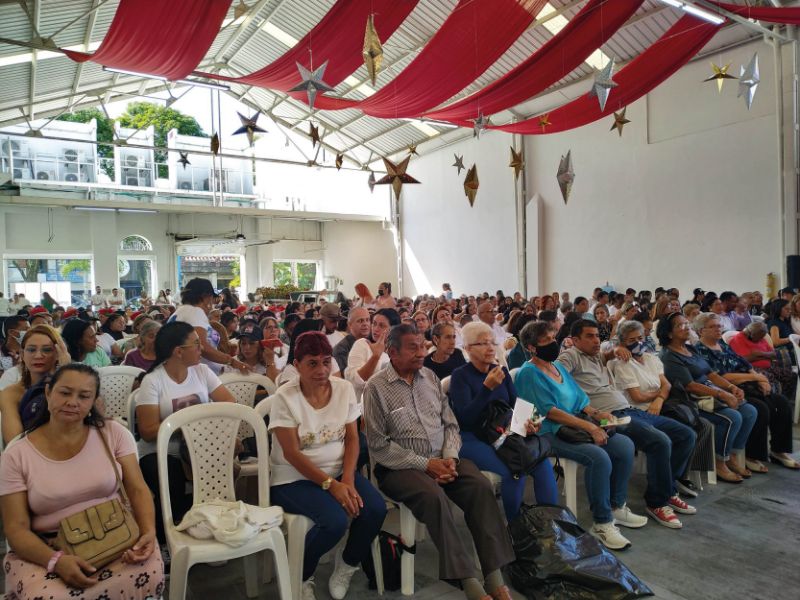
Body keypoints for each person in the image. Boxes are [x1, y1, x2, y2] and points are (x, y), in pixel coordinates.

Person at [364, 324, 515, 600]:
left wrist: (450, 457)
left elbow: (451, 424)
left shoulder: (430, 378)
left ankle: (494, 576)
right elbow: (378, 445)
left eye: (422, 346)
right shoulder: (376, 387)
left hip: (443, 459)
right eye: (413, 348)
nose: (421, 353)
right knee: (434, 497)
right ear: (392, 352)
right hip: (399, 467)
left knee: (480, 487)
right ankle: (469, 582)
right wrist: (426, 465)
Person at [0, 364, 163, 599]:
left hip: (117, 535)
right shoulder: (17, 455)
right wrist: (56, 561)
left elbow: (138, 489)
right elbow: (16, 528)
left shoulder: (112, 433)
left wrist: (148, 531)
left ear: (93, 402)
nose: (72, 402)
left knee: (148, 572)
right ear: (48, 393)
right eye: (65, 393)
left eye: (84, 396)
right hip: (47, 549)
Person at [269, 332, 386, 600]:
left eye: (326, 361)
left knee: (375, 509)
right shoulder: (285, 397)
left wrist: (348, 479)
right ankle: (300, 573)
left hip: (338, 472)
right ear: (297, 365)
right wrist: (331, 485)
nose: (321, 370)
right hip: (293, 479)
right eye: (312, 363)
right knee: (334, 522)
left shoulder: (343, 389)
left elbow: (353, 438)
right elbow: (291, 453)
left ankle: (347, 564)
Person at [558, 319, 697, 529]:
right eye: (589, 336)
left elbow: (606, 355)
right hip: (609, 415)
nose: (596, 340)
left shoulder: (595, 355)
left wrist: (615, 350)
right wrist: (587, 410)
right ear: (575, 340)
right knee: (660, 441)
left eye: (597, 336)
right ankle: (657, 502)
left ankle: (668, 490)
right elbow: (556, 376)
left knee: (686, 435)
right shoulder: (571, 355)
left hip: (630, 410)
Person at [513, 321, 640, 550]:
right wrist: (590, 427)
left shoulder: (556, 367)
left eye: (553, 338)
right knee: (598, 457)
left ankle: (616, 506)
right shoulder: (528, 373)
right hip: (548, 432)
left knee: (624, 446)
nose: (553, 344)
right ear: (531, 347)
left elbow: (579, 398)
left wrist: (597, 414)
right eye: (546, 341)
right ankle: (602, 522)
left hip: (573, 426)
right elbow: (549, 411)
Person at [135, 322, 236, 543]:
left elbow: (229, 403)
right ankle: (169, 538)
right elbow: (148, 431)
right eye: (197, 344)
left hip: (198, 448)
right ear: (178, 352)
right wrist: (188, 425)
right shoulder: (153, 381)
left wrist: (194, 427)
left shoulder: (202, 371)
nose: (202, 348)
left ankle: (214, 526)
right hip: (162, 451)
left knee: (222, 463)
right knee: (170, 474)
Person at [449, 322, 558, 520]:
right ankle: (514, 526)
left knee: (541, 462)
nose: (490, 347)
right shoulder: (460, 376)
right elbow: (465, 419)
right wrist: (486, 389)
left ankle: (552, 522)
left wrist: (531, 421)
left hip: (501, 432)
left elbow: (516, 404)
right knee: (514, 469)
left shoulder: (501, 371)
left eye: (493, 342)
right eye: (482, 343)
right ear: (467, 348)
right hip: (472, 437)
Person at [658, 312, 757, 484]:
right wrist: (722, 394)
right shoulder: (669, 356)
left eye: (686, 323)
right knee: (732, 418)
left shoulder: (690, 349)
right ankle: (720, 462)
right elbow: (690, 386)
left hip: (711, 392)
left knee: (749, 411)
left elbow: (711, 374)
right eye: (680, 325)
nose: (686, 327)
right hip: (692, 400)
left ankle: (732, 455)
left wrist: (731, 388)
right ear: (669, 334)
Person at [693, 312, 794, 474]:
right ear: (701, 331)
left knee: (782, 403)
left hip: (749, 384)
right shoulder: (699, 350)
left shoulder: (723, 345)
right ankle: (752, 455)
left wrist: (761, 380)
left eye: (719, 325)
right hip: (730, 389)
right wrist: (755, 377)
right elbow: (720, 377)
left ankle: (779, 450)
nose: (718, 329)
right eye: (713, 326)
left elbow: (745, 363)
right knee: (761, 408)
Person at [0, 326, 72, 444]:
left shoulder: (74, 385)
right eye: (31, 350)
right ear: (22, 354)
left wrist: (67, 371)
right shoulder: (11, 393)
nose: (38, 356)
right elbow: (14, 442)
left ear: (58, 354)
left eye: (47, 350)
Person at [171, 278, 249, 375]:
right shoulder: (195, 312)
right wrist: (232, 361)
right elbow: (202, 347)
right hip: (196, 374)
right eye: (212, 298)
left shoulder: (182, 311)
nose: (212, 303)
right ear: (206, 297)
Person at [345, 308, 399, 399]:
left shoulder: (398, 351)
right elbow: (357, 381)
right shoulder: (363, 344)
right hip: (365, 403)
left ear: (393, 329)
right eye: (374, 323)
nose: (376, 329)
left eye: (382, 326)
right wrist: (375, 356)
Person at [332, 308, 371, 374]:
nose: (365, 324)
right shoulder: (341, 350)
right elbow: (347, 377)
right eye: (360, 321)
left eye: (367, 320)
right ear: (349, 324)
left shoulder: (373, 342)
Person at [765, 299, 796, 369]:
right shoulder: (774, 323)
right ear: (778, 309)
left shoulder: (785, 321)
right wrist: (791, 339)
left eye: (790, 309)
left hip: (791, 350)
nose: (789, 311)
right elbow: (775, 342)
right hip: (784, 353)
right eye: (786, 309)